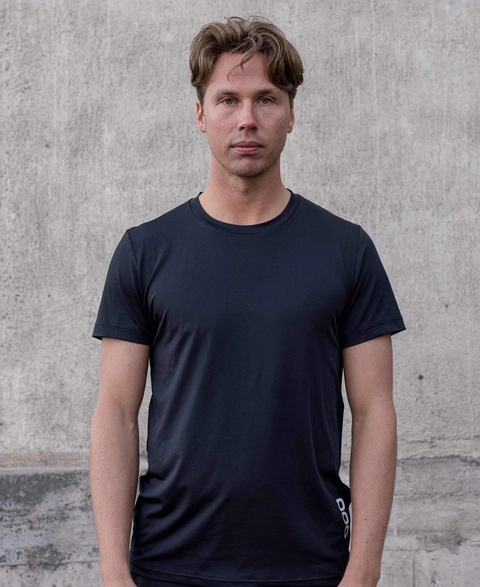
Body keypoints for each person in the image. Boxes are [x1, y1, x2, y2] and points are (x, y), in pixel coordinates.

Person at [90, 16, 406, 587]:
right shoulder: (145, 251)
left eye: (266, 99)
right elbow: (115, 410)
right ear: (200, 113)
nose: (247, 119)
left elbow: (374, 412)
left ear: (291, 113)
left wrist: (363, 569)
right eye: (227, 99)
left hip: (311, 564)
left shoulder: (346, 250)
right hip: (169, 564)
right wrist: (114, 571)